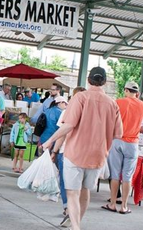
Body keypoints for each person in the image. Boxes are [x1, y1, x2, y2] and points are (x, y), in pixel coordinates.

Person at [42, 67, 123, 230]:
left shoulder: (80, 98)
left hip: (75, 154)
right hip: (98, 155)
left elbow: (69, 125)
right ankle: (76, 226)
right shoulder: (112, 104)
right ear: (105, 82)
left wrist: (50, 141)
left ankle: (76, 228)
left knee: (72, 193)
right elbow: (119, 133)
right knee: (85, 191)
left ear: (88, 80)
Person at [104, 82, 143, 215]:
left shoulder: (118, 102)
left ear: (125, 90)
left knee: (115, 174)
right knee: (127, 176)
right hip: (133, 143)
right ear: (137, 93)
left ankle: (112, 204)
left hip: (117, 140)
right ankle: (124, 206)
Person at [52, 86, 86, 227]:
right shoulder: (90, 114)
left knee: (67, 186)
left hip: (66, 152)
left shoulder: (67, 112)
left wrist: (54, 150)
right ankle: (75, 217)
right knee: (82, 188)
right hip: (84, 153)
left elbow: (63, 133)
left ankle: (68, 211)